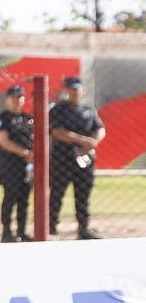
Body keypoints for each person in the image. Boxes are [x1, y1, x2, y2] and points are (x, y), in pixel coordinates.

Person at [49, 76, 106, 240]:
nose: (74, 92)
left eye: (77, 89)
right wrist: (83, 140)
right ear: (65, 90)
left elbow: (100, 128)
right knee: (57, 194)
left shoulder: (88, 110)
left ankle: (84, 228)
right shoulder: (58, 109)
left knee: (83, 195)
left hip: (84, 158)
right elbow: (57, 132)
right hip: (62, 159)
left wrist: (93, 142)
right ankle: (51, 229)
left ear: (82, 90)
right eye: (71, 89)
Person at [0, 85, 34, 243]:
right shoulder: (3, 118)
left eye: (20, 97)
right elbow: (3, 140)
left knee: (24, 199)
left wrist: (32, 155)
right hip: (9, 165)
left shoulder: (28, 118)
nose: (17, 100)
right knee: (10, 197)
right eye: (13, 97)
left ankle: (22, 232)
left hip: (27, 166)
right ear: (7, 100)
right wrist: (24, 153)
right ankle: (6, 232)